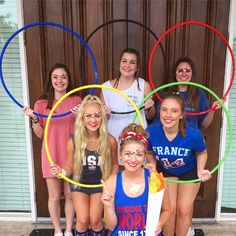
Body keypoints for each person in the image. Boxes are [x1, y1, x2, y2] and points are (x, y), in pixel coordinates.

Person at [23, 63, 82, 236]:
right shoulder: (41, 105)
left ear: (68, 80)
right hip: (51, 155)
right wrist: (34, 118)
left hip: (72, 155)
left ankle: (69, 229)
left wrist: (79, 117)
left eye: (64, 76)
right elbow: (40, 135)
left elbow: (83, 131)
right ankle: (57, 230)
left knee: (70, 195)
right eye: (56, 77)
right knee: (55, 196)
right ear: (50, 80)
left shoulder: (76, 101)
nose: (60, 80)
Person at [50, 95, 118, 236]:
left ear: (102, 118)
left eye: (97, 116)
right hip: (79, 183)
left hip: (99, 184)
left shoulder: (110, 140)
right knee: (82, 220)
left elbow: (115, 164)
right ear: (82, 118)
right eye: (88, 116)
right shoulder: (74, 140)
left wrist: (111, 181)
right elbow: (69, 166)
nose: (93, 120)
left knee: (95, 220)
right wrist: (62, 171)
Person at [146, 93, 212, 236]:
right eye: (164, 110)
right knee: (170, 210)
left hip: (189, 170)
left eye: (174, 111)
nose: (168, 115)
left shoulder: (193, 134)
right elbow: (149, 152)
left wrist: (200, 170)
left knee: (183, 210)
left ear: (181, 114)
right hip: (166, 171)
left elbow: (202, 153)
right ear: (159, 111)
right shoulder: (151, 131)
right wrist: (151, 164)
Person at [101, 123, 170, 236]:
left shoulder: (154, 179)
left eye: (138, 154)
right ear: (120, 155)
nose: (133, 159)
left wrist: (160, 223)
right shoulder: (111, 183)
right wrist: (108, 206)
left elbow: (167, 210)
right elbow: (111, 226)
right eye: (128, 154)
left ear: (144, 156)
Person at [100, 48, 155, 168]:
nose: (127, 65)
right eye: (124, 61)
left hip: (137, 143)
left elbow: (151, 116)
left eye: (132, 62)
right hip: (113, 141)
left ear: (137, 67)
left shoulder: (144, 85)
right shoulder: (106, 87)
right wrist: (105, 114)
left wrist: (149, 108)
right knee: (116, 180)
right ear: (119, 63)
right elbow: (100, 119)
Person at [151, 56, 222, 129]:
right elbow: (157, 119)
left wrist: (213, 109)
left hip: (190, 138)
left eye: (187, 70)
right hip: (168, 136)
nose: (184, 73)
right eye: (180, 70)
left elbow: (204, 124)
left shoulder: (199, 93)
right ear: (175, 73)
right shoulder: (165, 92)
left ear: (192, 73)